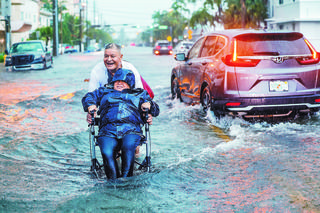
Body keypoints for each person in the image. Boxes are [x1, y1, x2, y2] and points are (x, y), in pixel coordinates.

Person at [82, 69, 160, 179]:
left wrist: (149, 104)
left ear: (130, 83)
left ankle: (126, 180)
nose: (119, 83)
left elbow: (156, 111)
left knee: (128, 147)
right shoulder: (104, 91)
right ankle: (113, 181)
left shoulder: (140, 93)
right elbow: (88, 97)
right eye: (116, 81)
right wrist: (90, 105)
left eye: (123, 81)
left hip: (131, 129)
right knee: (106, 151)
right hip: (107, 130)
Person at [87, 43, 154, 124]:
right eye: (106, 56)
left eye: (112, 56)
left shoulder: (130, 69)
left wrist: (146, 112)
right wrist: (91, 110)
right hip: (108, 113)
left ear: (120, 57)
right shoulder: (97, 71)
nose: (109, 59)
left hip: (129, 113)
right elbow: (91, 95)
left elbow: (140, 94)